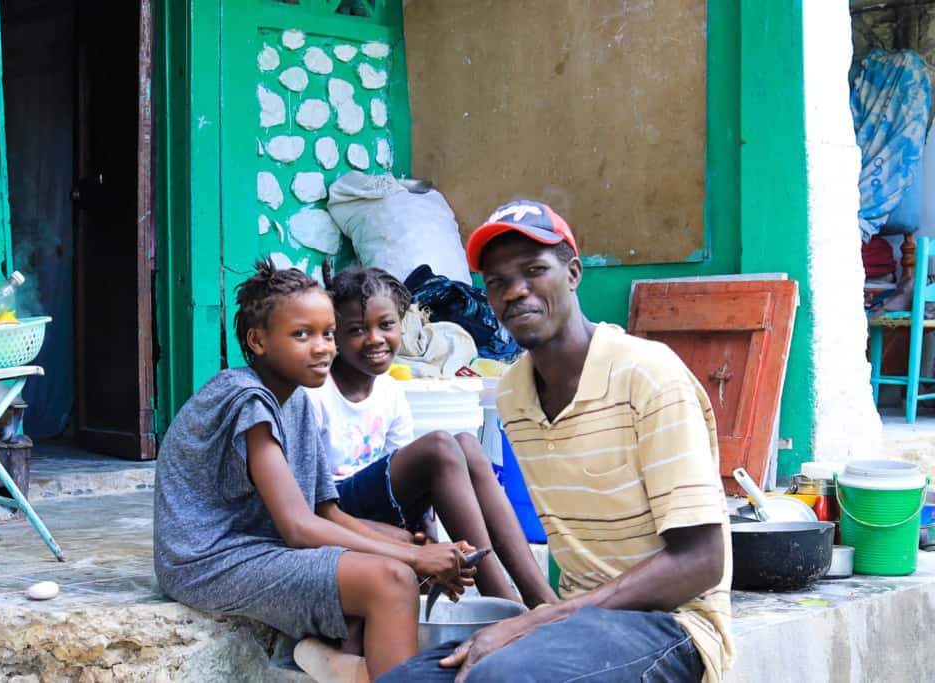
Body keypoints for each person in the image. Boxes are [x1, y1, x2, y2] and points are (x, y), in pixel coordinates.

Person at [379, 200, 734, 683]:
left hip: (674, 624)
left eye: (533, 270)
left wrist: (541, 619)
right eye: (498, 282)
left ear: (572, 273)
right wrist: (532, 612)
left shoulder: (648, 375)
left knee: (501, 679)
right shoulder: (513, 393)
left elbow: (701, 561)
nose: (516, 291)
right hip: (579, 622)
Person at [153, 260, 475, 681]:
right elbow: (300, 529)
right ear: (258, 340)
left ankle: (328, 655)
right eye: (301, 335)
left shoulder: (300, 399)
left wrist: (414, 548)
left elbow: (328, 512)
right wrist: (414, 559)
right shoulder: (248, 398)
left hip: (258, 547)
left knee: (391, 539)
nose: (322, 347)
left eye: (327, 333)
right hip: (207, 560)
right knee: (392, 577)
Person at [306, 264, 556, 609]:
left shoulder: (390, 391)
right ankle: (504, 602)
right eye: (356, 329)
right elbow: (314, 506)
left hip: (380, 506)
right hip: (338, 510)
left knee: (467, 444)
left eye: (387, 325)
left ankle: (541, 599)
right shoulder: (315, 395)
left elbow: (417, 490)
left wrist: (429, 544)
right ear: (333, 335)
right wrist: (414, 551)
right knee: (439, 445)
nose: (375, 338)